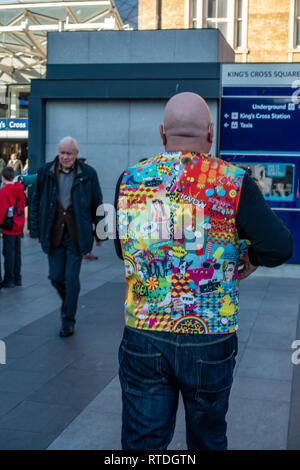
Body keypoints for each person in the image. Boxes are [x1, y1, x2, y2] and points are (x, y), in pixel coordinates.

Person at [114, 92, 293, 450]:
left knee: (142, 443)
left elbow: (123, 249)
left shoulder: (130, 179)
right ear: (210, 134)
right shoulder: (232, 181)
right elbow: (279, 246)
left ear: (163, 134)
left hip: (145, 332)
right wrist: (252, 258)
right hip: (211, 334)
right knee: (208, 438)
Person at [30, 136, 104, 337]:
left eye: (68, 153)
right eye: (62, 153)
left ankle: (68, 321)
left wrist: (100, 232)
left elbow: (97, 203)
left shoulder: (88, 174)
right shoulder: (45, 172)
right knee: (55, 277)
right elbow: (35, 202)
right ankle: (68, 302)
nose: (64, 157)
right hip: (53, 233)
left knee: (71, 279)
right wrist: (35, 230)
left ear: (76, 155)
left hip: (77, 234)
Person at [0, 166, 25, 288]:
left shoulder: (4, 191)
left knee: (8, 253)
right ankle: (17, 278)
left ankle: (9, 280)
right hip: (18, 225)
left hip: (8, 227)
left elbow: (1, 210)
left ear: (3, 177)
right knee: (17, 253)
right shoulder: (19, 189)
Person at [78, 158, 98, 261]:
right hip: (82, 214)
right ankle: (84, 252)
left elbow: (96, 199)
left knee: (88, 233)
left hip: (87, 213)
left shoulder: (88, 177)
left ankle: (86, 252)